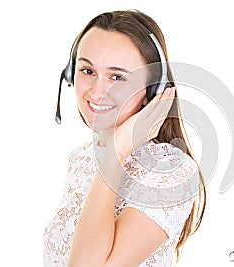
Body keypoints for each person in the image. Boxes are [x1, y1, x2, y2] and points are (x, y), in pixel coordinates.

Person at [44, 10, 206, 266]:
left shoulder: (172, 172)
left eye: (117, 77)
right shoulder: (81, 157)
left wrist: (117, 152)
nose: (97, 91)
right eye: (87, 70)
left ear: (152, 90)